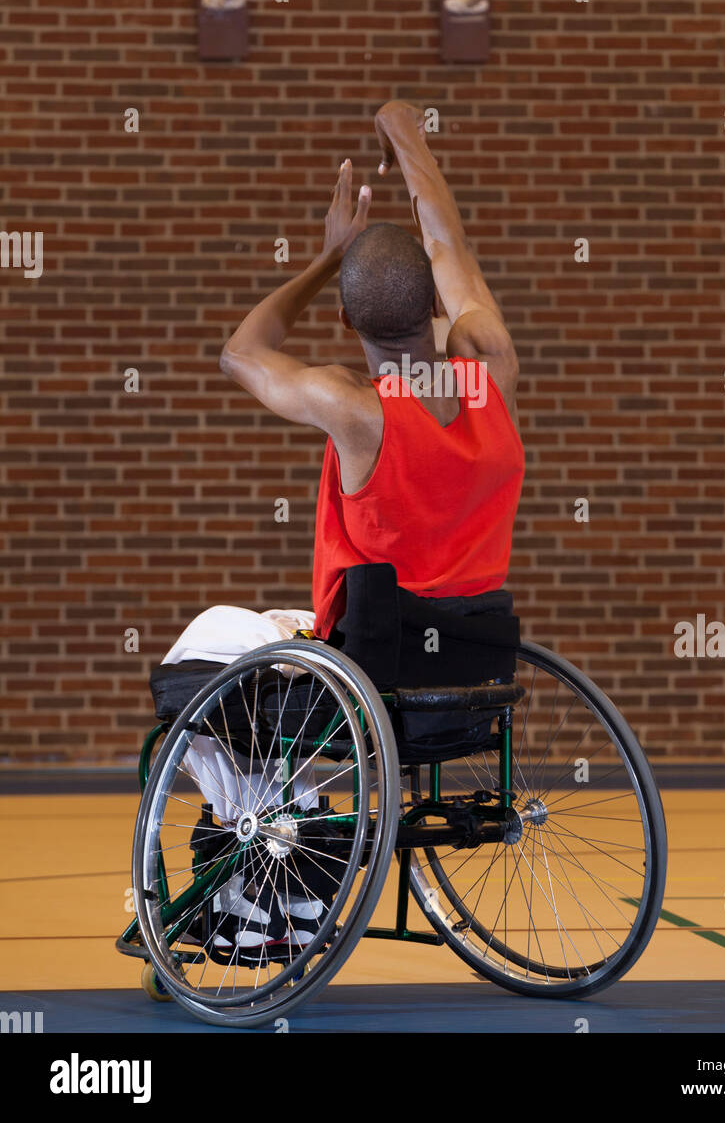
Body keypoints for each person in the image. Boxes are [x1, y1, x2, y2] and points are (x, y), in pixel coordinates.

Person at [158, 100, 524, 951]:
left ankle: (285, 857)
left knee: (194, 659)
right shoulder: (491, 371)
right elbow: (449, 245)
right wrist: (410, 139)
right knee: (270, 636)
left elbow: (240, 353)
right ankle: (277, 860)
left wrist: (326, 260)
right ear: (438, 307)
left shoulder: (356, 408)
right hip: (463, 674)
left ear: (346, 323)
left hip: (361, 671)